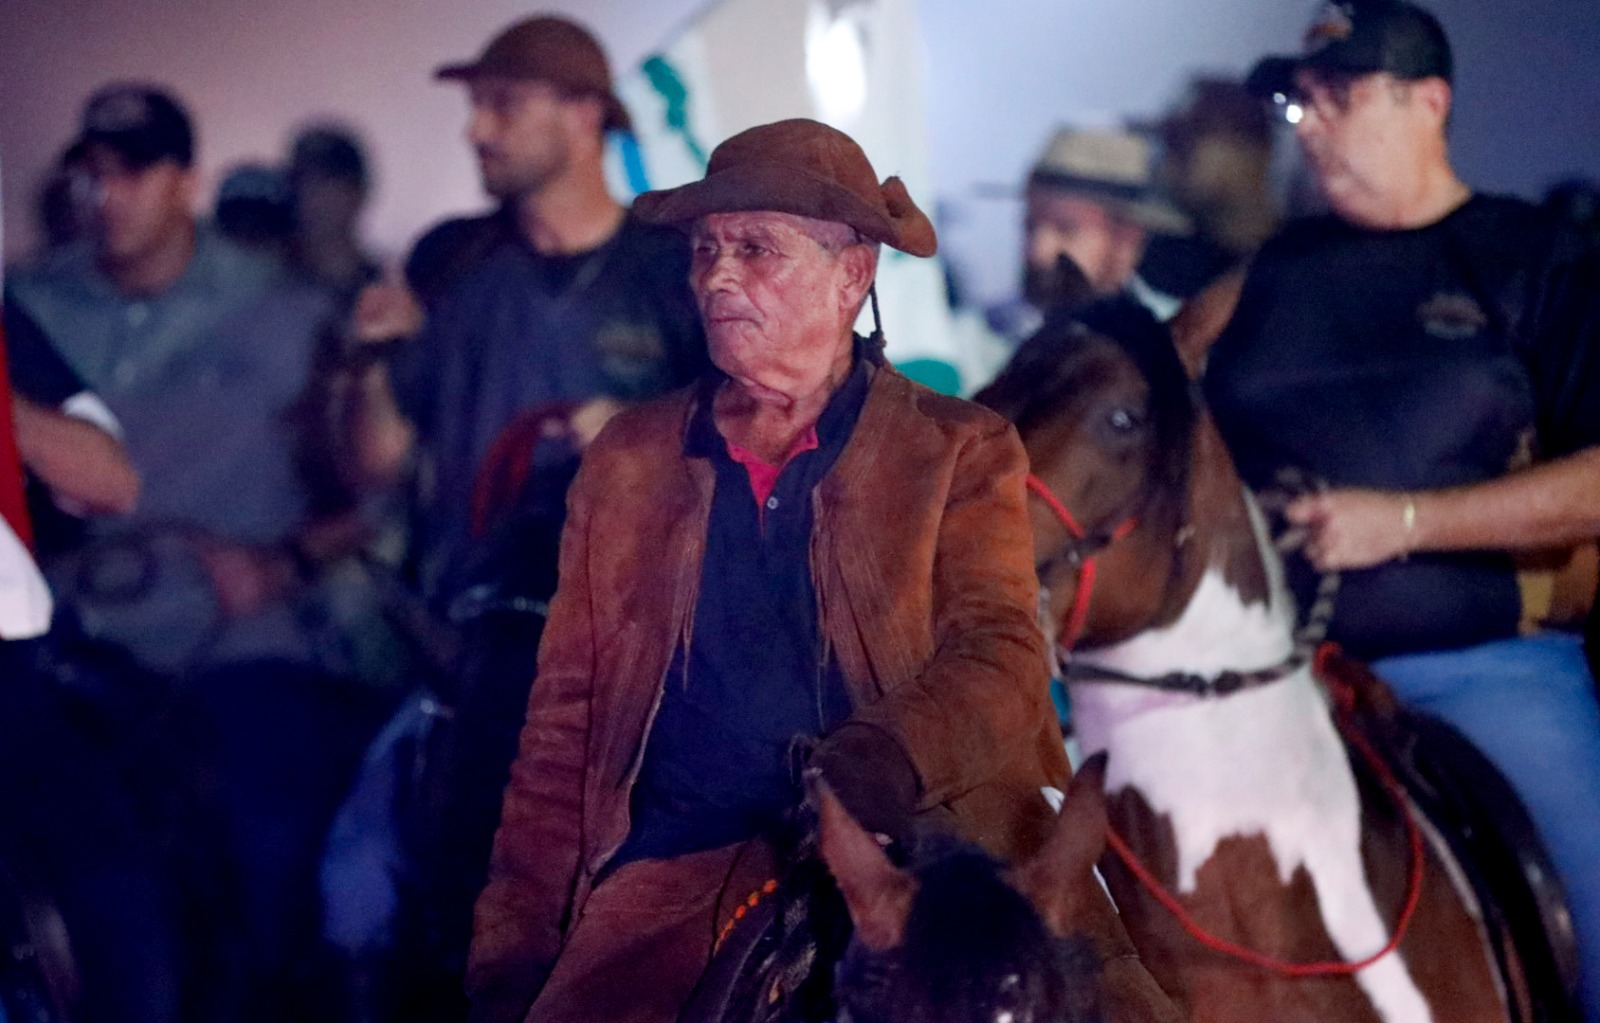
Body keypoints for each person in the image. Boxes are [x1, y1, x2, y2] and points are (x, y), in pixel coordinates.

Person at [465, 117, 1174, 1023]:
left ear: (853, 276)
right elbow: (566, 722)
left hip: (933, 843)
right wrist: (516, 940)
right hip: (684, 863)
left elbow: (1002, 655)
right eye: (706, 249)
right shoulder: (630, 460)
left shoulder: (959, 449)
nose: (717, 276)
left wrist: (883, 757)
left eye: (756, 249)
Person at [1201, 2, 1600, 1016]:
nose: (1311, 124)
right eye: (1301, 102)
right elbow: (1147, 404)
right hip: (1258, 679)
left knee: (1587, 921)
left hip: (1479, 670)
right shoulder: (1272, 273)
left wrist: (1406, 523)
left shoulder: (1533, 257)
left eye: (1341, 96)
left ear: (1429, 102)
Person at [343, 13, 706, 606]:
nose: (476, 130)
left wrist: (646, 434)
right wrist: (372, 363)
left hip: (634, 616)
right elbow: (378, 465)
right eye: (475, 105)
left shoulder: (674, 267)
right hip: (469, 618)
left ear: (584, 114)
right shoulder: (448, 259)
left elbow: (753, 446)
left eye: (504, 104)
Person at [989, 125, 1192, 350]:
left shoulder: (1182, 337)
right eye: (1030, 227)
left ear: (1127, 239)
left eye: (1066, 230)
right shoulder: (977, 340)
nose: (1038, 252)